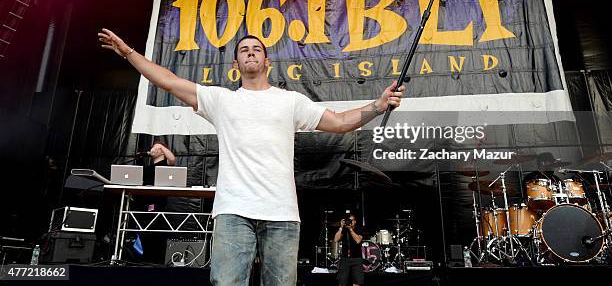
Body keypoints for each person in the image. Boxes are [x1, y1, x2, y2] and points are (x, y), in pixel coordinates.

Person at [98, 28, 404, 285]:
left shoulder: (290, 101)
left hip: (281, 214)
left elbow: (339, 123)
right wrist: (128, 52)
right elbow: (167, 80)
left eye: (257, 48)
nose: (251, 52)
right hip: (234, 212)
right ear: (236, 63)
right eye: (244, 49)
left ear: (267, 61)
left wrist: (378, 105)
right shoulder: (221, 100)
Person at [333, 213, 364, 286]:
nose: (350, 222)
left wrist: (350, 229)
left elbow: (358, 240)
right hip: (345, 258)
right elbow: (336, 239)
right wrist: (341, 227)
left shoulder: (358, 229)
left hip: (356, 258)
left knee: (357, 282)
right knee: (342, 282)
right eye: (348, 220)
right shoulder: (344, 229)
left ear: (355, 221)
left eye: (351, 220)